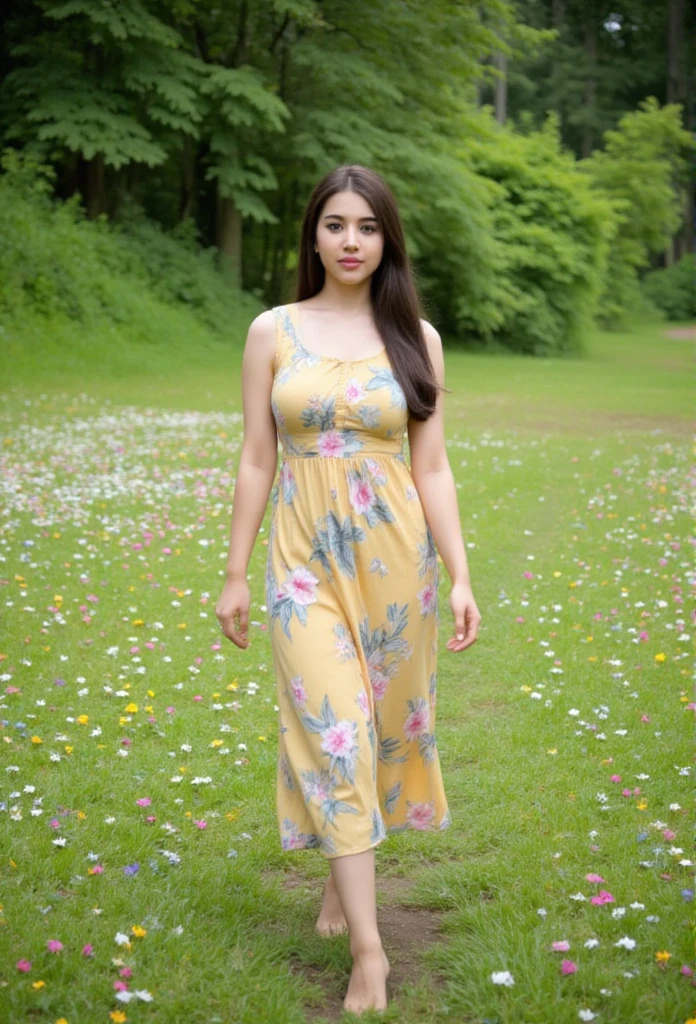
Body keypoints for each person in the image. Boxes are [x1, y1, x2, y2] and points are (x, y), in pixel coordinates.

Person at [216, 164, 481, 1015]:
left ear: (386, 239)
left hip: (396, 563)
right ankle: (371, 955)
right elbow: (258, 456)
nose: (352, 241)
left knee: (379, 736)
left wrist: (463, 572)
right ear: (313, 234)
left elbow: (431, 467)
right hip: (300, 562)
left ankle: (343, 881)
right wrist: (233, 572)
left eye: (367, 227)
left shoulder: (418, 339)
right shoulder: (273, 331)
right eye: (336, 224)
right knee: (334, 732)